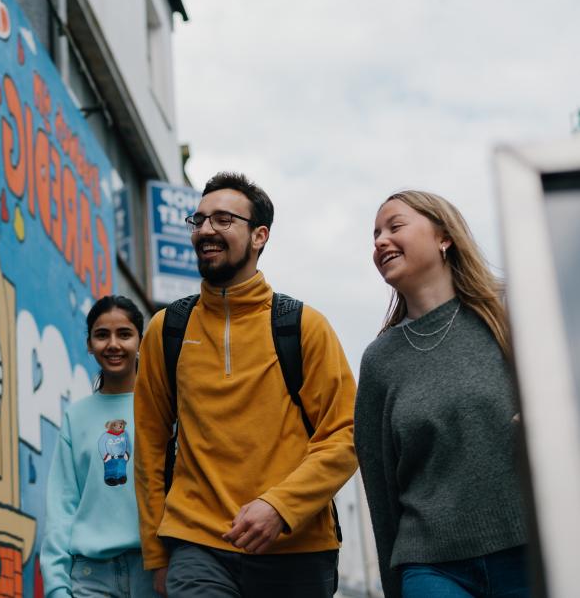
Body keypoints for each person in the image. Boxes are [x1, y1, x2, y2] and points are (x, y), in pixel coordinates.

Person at [133, 172, 358, 597]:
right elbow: (149, 446)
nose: (205, 231)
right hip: (198, 547)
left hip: (298, 548)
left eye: (222, 220)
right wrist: (157, 553)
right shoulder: (167, 330)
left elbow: (345, 435)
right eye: (198, 221)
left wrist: (281, 506)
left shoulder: (303, 326)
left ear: (259, 236)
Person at [356, 191, 528, 597]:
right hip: (431, 567)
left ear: (444, 237)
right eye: (375, 234)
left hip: (528, 549)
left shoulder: (510, 315)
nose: (380, 240)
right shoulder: (380, 361)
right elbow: (380, 491)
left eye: (395, 227)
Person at [41, 295, 154, 597]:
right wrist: (56, 587)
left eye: (125, 334)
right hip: (91, 576)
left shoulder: (163, 409)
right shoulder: (75, 417)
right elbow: (61, 506)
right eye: (102, 335)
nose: (113, 344)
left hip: (155, 571)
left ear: (141, 341)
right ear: (89, 344)